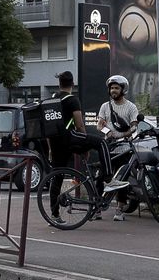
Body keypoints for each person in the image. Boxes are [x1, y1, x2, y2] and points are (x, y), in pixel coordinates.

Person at [46, 71, 128, 225]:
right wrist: (85, 145)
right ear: (72, 84)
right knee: (101, 143)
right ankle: (109, 179)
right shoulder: (72, 100)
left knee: (56, 176)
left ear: (59, 84)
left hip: (55, 143)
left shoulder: (52, 100)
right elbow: (79, 124)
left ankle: (54, 215)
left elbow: (49, 128)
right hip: (69, 138)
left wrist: (50, 148)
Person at [97, 74, 139, 222]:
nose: (113, 91)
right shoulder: (105, 106)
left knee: (122, 179)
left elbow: (135, 125)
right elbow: (99, 125)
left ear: (123, 89)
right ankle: (97, 208)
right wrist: (108, 133)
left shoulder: (131, 107)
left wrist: (126, 134)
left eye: (116, 88)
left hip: (124, 148)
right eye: (111, 88)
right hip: (108, 147)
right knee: (101, 177)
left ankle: (120, 209)